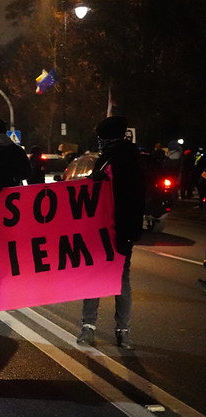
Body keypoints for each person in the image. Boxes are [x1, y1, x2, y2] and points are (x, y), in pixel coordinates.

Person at [76, 116, 145, 349]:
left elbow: (134, 198)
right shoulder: (108, 159)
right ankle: (90, 327)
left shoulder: (127, 160)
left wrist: (129, 233)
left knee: (120, 279)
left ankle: (121, 331)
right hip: (101, 231)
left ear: (109, 137)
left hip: (120, 230)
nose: (99, 142)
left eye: (101, 137)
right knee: (96, 277)